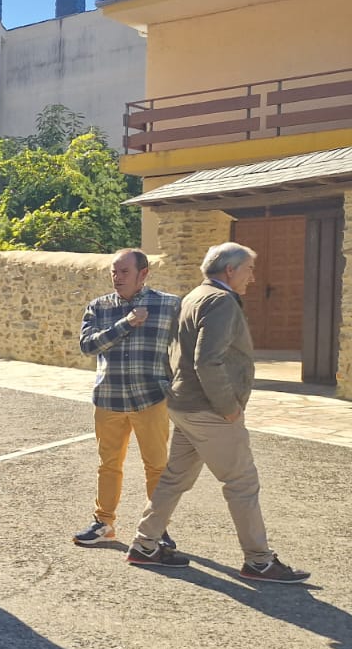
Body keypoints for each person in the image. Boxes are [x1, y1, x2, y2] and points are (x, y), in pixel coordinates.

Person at [124, 243, 311, 584]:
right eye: (249, 270)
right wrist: (229, 408)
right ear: (230, 271)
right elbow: (207, 360)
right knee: (242, 483)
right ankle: (258, 561)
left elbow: (175, 350)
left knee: (174, 478)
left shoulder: (194, 295)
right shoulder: (221, 301)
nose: (252, 278)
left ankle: (145, 544)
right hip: (209, 408)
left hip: (183, 404)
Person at [74, 250, 180, 550]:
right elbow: (87, 346)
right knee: (108, 465)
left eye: (123, 272)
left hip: (151, 398)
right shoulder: (99, 307)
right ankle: (103, 523)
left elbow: (185, 346)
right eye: (114, 272)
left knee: (157, 467)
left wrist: (177, 385)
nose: (117, 277)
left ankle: (156, 529)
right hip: (109, 398)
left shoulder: (169, 305)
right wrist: (126, 324)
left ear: (143, 274)